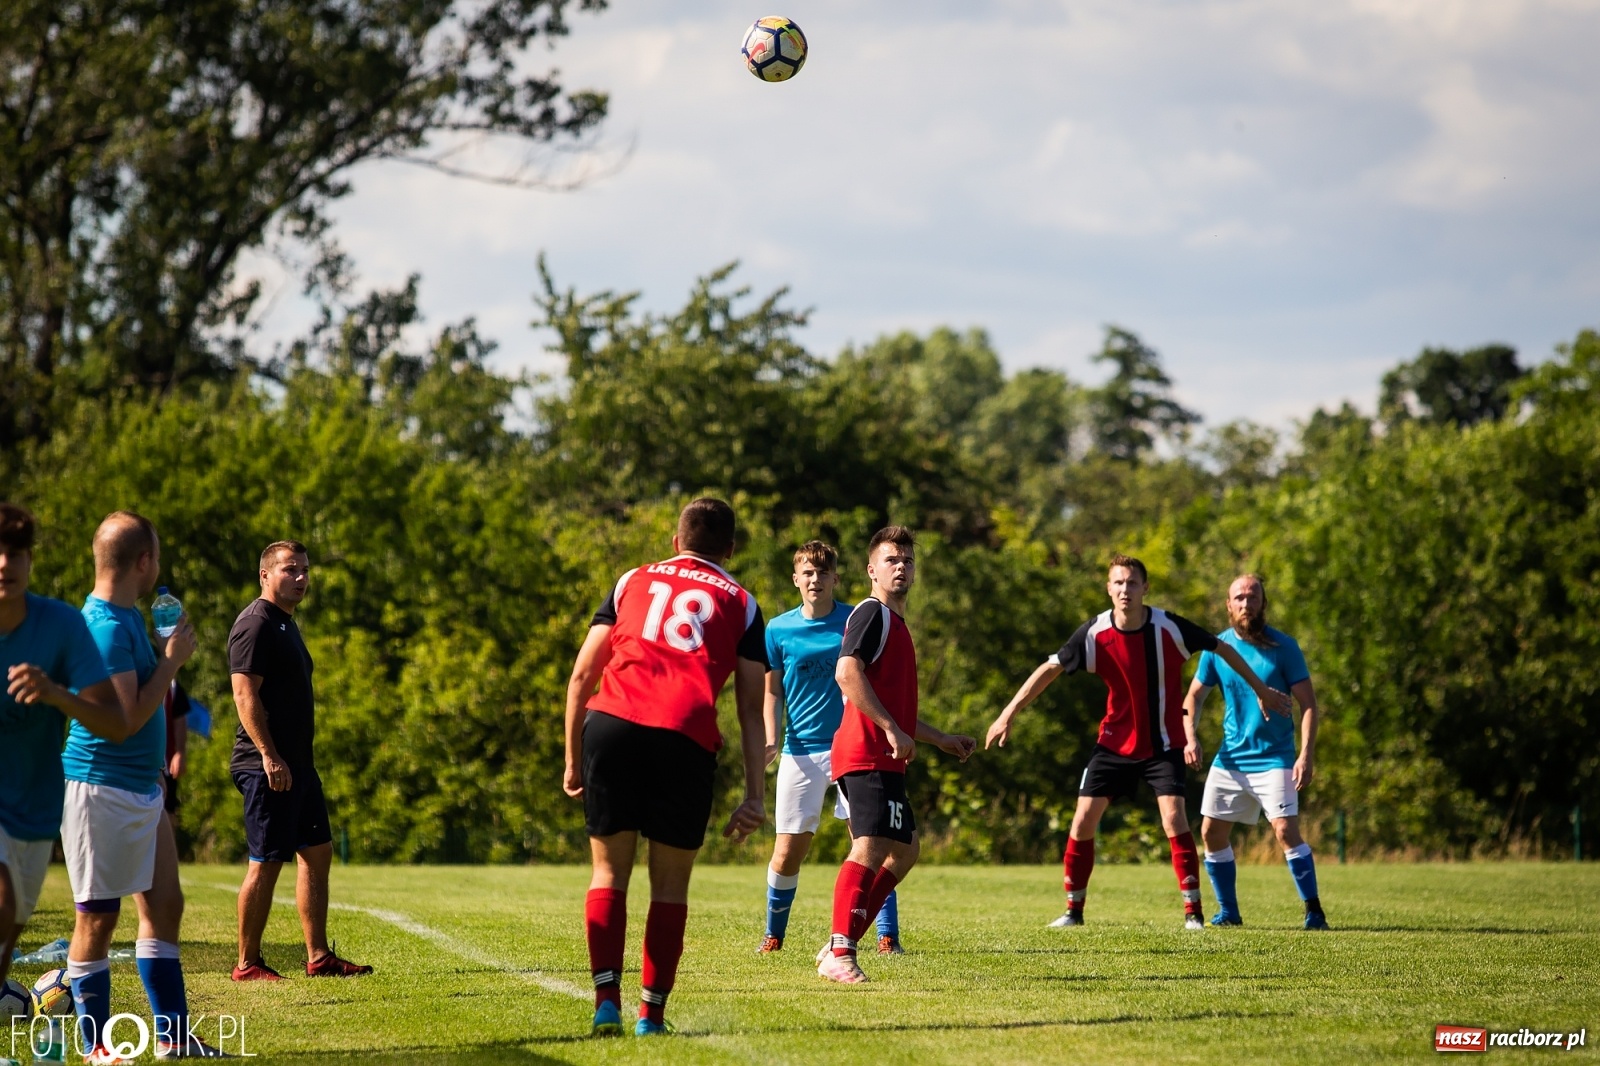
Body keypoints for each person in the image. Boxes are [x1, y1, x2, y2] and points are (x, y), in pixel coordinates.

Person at [985, 554, 1291, 929]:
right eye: (1118, 583)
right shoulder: (1095, 633)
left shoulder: (1169, 627)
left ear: (1145, 588)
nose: (1125, 590)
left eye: (1132, 583)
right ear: (1108, 588)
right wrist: (1008, 713)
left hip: (1162, 745)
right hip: (1113, 744)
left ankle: (1193, 913)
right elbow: (1050, 668)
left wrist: (1260, 689)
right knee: (1082, 821)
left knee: (1174, 819)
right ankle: (1073, 911)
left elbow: (1221, 647)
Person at [563, 499, 769, 1036]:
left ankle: (606, 1000)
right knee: (670, 885)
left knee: (609, 871)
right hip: (684, 735)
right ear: (729, 550)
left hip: (612, 725)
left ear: (676, 542)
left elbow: (583, 674)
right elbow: (750, 709)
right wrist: (754, 795)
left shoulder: (631, 579)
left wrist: (571, 759)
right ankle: (650, 1016)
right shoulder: (744, 604)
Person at [60, 512, 228, 1061]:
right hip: (100, 790)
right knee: (98, 918)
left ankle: (174, 1039)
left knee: (165, 903)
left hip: (140, 787)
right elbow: (127, 718)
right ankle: (95, 1047)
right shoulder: (105, 628)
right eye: (156, 554)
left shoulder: (128, 615)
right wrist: (174, 663)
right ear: (144, 562)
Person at [817, 526, 976, 985]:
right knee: (869, 847)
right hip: (864, 751)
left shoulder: (896, 624)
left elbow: (897, 707)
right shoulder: (872, 614)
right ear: (872, 570)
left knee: (904, 852)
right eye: (891, 560)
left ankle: (839, 941)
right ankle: (840, 950)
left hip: (884, 755)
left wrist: (939, 738)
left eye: (907, 560)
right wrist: (888, 728)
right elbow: (847, 673)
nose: (901, 567)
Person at [229, 540, 370, 981]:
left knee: (318, 852)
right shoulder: (255, 625)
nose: (301, 577)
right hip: (265, 765)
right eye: (290, 569)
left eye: (305, 569)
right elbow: (243, 693)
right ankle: (247, 963)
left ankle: (318, 956)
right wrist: (270, 756)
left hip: (299, 766)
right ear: (265, 575)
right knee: (267, 861)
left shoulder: (286, 623)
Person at [758, 541, 902, 957]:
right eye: (807, 572)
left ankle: (885, 935)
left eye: (823, 572)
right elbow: (772, 693)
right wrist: (771, 737)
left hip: (851, 748)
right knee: (787, 850)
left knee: (868, 842)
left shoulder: (854, 620)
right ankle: (773, 935)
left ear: (836, 578)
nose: (815, 579)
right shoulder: (778, 629)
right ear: (795, 578)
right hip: (799, 751)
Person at [0, 503, 122, 996]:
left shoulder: (62, 626)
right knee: (2, 903)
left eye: (15, 553)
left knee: (8, 932)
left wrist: (54, 694)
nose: (4, 564)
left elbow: (113, 721)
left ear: (30, 561)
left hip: (34, 808)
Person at [1181, 574, 1327, 929]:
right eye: (1239, 598)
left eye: (1253, 596)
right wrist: (1190, 736)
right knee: (1211, 834)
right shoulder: (1217, 649)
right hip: (1230, 759)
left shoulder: (1284, 647)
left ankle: (1314, 912)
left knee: (1284, 831)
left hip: (1274, 758)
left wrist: (1305, 754)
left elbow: (1308, 704)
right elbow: (1194, 697)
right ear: (1228, 605)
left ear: (1263, 603)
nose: (1246, 603)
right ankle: (1229, 913)